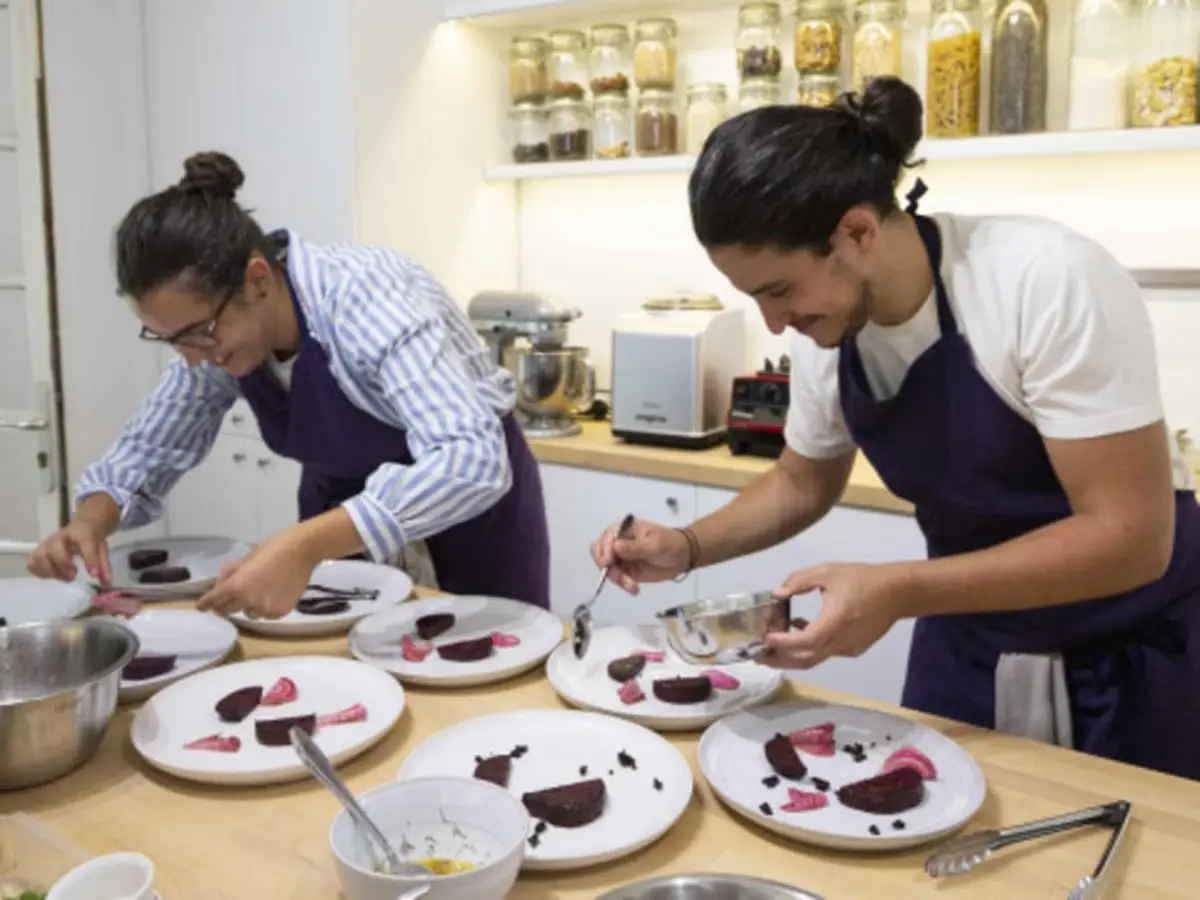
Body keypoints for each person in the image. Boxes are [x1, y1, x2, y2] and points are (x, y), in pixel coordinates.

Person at [590, 77, 1200, 780]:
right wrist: (687, 546)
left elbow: (1130, 538)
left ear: (858, 231)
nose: (775, 323)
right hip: (968, 638)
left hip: (1129, 655)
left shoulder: (1042, 279)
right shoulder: (827, 327)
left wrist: (900, 589)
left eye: (779, 291)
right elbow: (802, 481)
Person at [29, 151, 550, 616]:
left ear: (257, 279)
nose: (190, 359)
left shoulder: (365, 296)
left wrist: (304, 545)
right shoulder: (216, 339)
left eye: (199, 333)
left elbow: (470, 461)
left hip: (471, 514)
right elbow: (152, 444)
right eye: (170, 339)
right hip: (340, 513)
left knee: (489, 670)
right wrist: (92, 519)